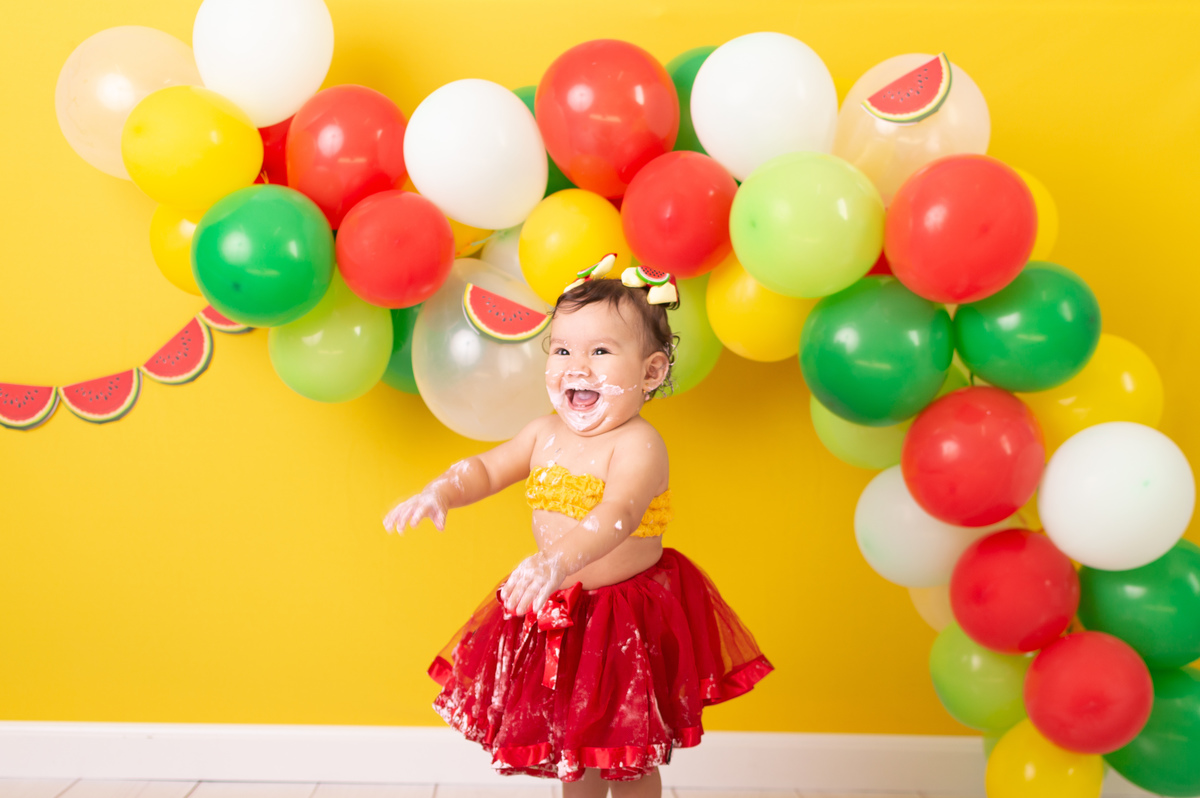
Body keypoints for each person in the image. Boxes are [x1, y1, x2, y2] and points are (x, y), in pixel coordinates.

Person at [383, 271, 772, 797]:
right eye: (561, 350)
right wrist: (443, 491)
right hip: (562, 613)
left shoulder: (639, 444)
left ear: (651, 371)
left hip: (624, 620)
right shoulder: (543, 433)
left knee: (627, 754)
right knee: (571, 748)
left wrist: (555, 561)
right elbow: (488, 468)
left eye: (601, 351)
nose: (577, 367)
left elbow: (619, 511)